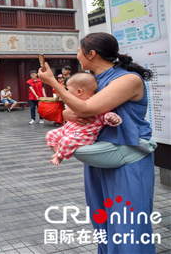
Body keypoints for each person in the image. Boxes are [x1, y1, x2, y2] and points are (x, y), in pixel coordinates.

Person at [38, 32, 155, 254]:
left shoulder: (127, 79)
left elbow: (86, 108)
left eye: (79, 51)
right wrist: (67, 113)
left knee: (129, 228)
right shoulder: (92, 81)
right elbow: (71, 109)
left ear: (91, 54)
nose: (77, 56)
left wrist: (53, 82)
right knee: (103, 223)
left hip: (126, 161)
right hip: (100, 158)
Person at [45, 73, 122, 166]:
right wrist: (66, 113)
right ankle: (59, 152)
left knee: (66, 140)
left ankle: (60, 156)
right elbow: (67, 112)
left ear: (79, 91)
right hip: (68, 130)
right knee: (51, 134)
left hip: (82, 135)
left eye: (68, 90)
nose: (67, 92)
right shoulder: (75, 103)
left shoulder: (95, 103)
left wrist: (111, 117)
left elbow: (104, 114)